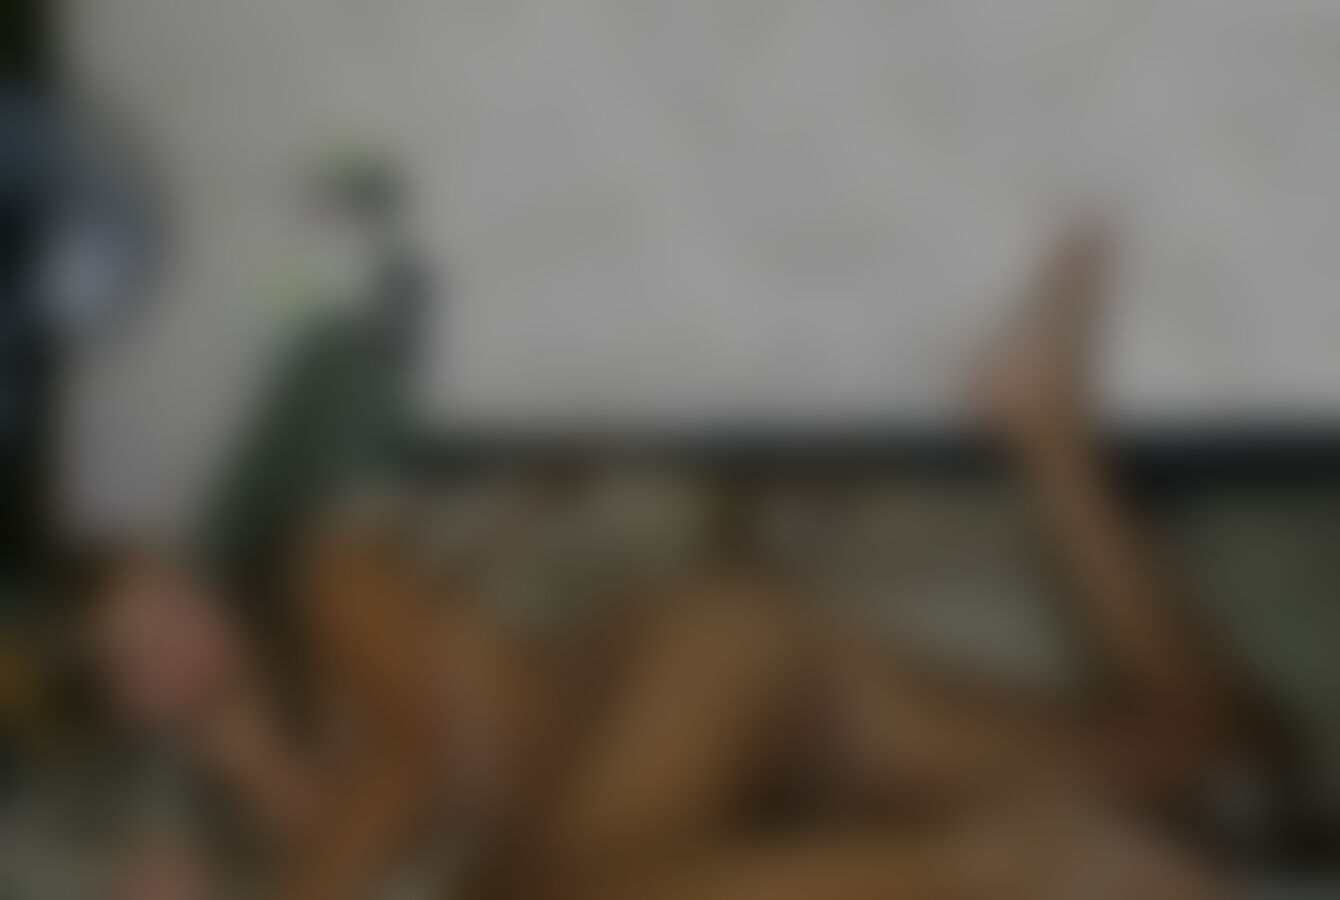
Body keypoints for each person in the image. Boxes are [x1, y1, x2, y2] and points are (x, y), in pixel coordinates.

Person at [75, 227, 1275, 898]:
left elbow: (405, 762)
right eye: (142, 648)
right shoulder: (241, 826)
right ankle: (1045, 426)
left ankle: (1003, 863)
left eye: (163, 592)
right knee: (1191, 753)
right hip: (751, 789)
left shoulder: (319, 579)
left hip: (679, 672)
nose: (180, 629)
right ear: (128, 704)